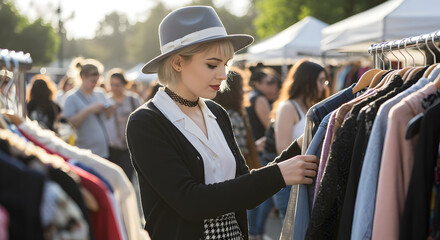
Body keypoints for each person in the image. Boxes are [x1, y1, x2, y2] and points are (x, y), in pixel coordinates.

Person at [126, 6, 318, 240]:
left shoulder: (216, 111)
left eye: (225, 64)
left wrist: (300, 145)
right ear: (177, 63)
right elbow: (190, 201)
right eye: (212, 64)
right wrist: (278, 174)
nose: (223, 74)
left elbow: (243, 186)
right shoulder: (146, 122)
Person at [271, 59, 327, 220]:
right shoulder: (288, 107)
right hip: (290, 184)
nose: (324, 86)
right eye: (320, 80)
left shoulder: (310, 106)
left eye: (325, 80)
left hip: (304, 179)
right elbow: (282, 148)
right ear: (307, 81)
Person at [245, 66, 282, 239]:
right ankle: (256, 232)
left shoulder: (251, 97)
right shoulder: (259, 99)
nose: (273, 86)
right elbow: (270, 127)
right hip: (263, 151)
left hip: (255, 151)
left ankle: (254, 231)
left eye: (275, 82)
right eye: (269, 82)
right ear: (257, 83)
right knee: (264, 197)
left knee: (257, 195)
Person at [63, 58, 114, 159]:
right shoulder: (71, 97)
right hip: (85, 152)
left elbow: (107, 118)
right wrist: (89, 109)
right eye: (92, 81)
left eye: (97, 81)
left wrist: (109, 109)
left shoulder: (100, 93)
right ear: (83, 77)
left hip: (103, 151)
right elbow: (73, 123)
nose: (95, 84)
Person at [213, 68, 261, 170]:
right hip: (241, 171)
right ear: (231, 90)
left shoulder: (214, 112)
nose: (244, 91)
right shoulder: (233, 115)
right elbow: (239, 150)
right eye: (241, 87)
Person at [104, 68, 143, 180]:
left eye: (117, 85)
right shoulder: (106, 101)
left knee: (126, 179)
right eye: (111, 84)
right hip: (111, 148)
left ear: (124, 84)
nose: (114, 88)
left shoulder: (133, 100)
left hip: (128, 147)